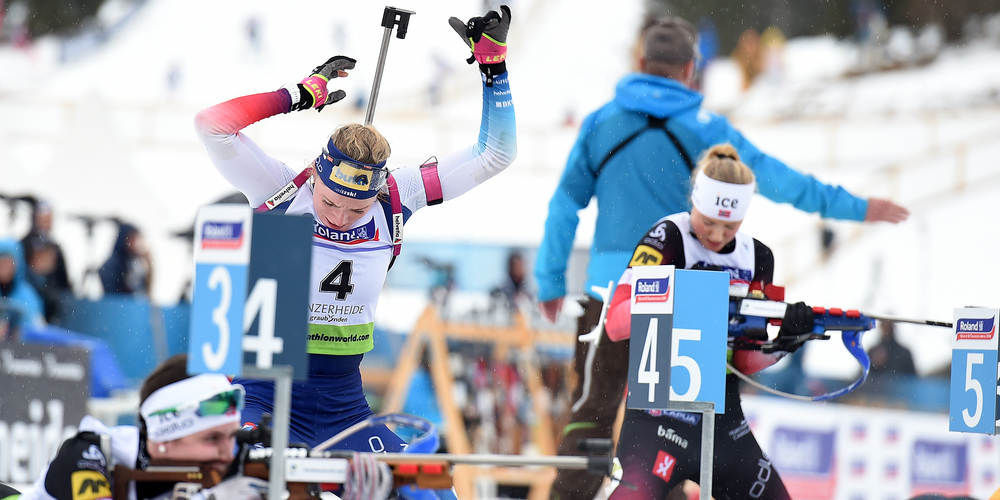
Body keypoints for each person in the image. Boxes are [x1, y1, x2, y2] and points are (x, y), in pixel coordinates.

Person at [534, 16, 909, 500]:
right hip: (695, 305)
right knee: (681, 425)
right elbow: (780, 180)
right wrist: (856, 207)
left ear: (641, 61)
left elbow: (564, 204)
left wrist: (549, 280)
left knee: (593, 414)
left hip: (612, 294)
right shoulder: (708, 131)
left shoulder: (601, 123)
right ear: (691, 68)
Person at [194, 4, 515, 457]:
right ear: (315, 173)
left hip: (344, 409)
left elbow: (496, 154)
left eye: (357, 209)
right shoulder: (280, 189)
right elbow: (211, 126)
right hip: (264, 398)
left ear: (377, 191)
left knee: (429, 487)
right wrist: (298, 95)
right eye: (329, 202)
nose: (340, 217)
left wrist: (493, 68)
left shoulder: (398, 196)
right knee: (238, 472)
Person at [603, 144, 808, 499]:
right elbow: (615, 323)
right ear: (694, 202)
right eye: (708, 221)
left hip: (722, 420)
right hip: (657, 414)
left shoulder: (757, 257)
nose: (715, 235)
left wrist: (784, 343)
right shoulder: (668, 236)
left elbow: (745, 361)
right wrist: (681, 294)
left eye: (729, 226)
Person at [17, 353, 266, 500]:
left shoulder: (231, 468)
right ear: (164, 438)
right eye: (211, 438)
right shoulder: (91, 454)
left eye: (232, 436)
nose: (228, 453)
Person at [0, 238, 44, 339]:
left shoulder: (28, 295)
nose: (5, 268)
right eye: (2, 263)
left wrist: (16, 331)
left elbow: (37, 327)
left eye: (9, 263)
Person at [98, 222, 153, 296]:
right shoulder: (113, 264)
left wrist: (149, 264)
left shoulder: (134, 262)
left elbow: (144, 291)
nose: (136, 243)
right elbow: (115, 294)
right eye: (133, 239)